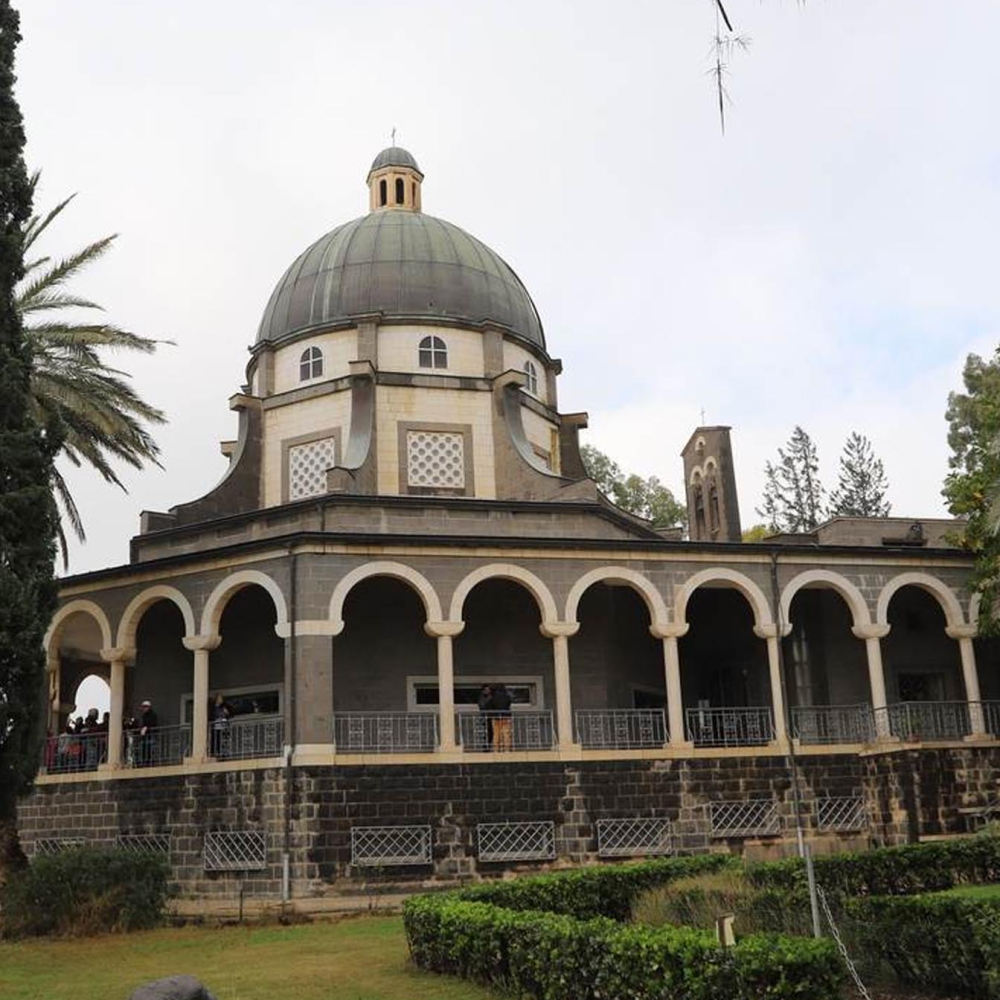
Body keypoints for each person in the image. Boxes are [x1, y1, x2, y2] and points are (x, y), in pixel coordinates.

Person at [491, 683, 513, 752]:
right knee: (506, 734)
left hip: (496, 718)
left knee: (496, 734)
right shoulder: (507, 697)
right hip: (506, 717)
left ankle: (496, 750)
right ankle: (507, 750)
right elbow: (509, 703)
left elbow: (491, 705)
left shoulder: (494, 697)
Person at [210, 693, 232, 758]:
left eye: (221, 698)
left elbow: (229, 715)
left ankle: (222, 753)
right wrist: (222, 713)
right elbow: (214, 715)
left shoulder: (223, 707)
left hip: (223, 727)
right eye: (220, 698)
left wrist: (227, 713)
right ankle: (214, 753)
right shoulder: (214, 707)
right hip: (216, 727)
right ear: (216, 699)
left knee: (222, 741)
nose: (221, 700)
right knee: (216, 741)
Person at [137, 699, 158, 767]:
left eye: (145, 707)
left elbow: (153, 724)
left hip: (150, 735)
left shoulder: (153, 715)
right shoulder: (144, 716)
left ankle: (150, 763)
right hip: (145, 737)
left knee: (150, 750)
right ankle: (144, 763)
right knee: (144, 750)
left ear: (149, 707)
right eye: (143, 707)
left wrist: (146, 728)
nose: (144, 708)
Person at [476, 684, 494, 750]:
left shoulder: (491, 697)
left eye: (489, 690)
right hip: (485, 717)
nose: (488, 691)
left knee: (491, 732)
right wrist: (489, 700)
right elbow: (482, 706)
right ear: (483, 691)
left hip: (490, 717)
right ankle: (485, 747)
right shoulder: (482, 698)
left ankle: (489, 746)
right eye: (486, 690)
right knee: (485, 732)